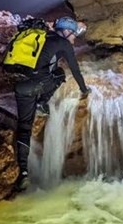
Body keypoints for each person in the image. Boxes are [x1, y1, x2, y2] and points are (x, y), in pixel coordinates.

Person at [12, 16, 89, 193]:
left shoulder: (42, 37)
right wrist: (84, 90)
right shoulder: (64, 44)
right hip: (37, 86)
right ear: (66, 31)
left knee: (24, 127)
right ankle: (41, 102)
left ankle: (23, 173)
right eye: (73, 34)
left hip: (21, 87)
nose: (74, 38)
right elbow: (75, 70)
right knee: (60, 74)